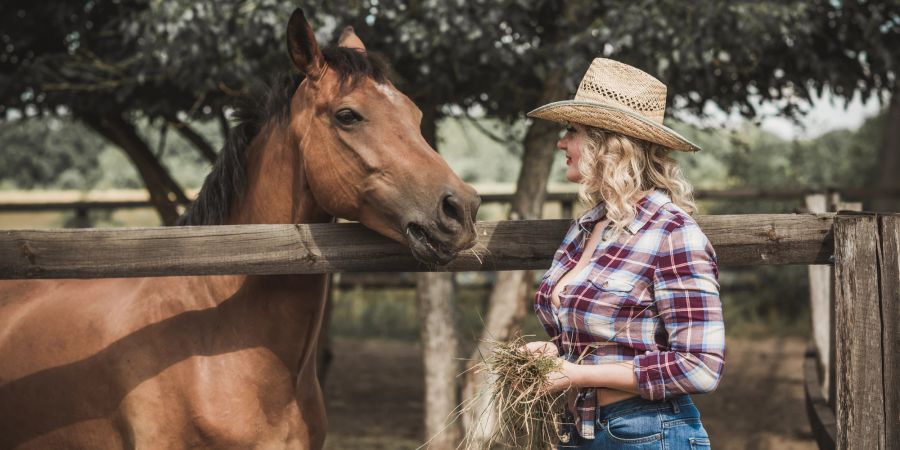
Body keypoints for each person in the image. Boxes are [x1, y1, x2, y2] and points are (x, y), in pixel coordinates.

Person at [525, 58, 724, 449]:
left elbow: (701, 366)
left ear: (608, 144)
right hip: (580, 430)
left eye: (572, 131)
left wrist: (576, 376)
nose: (560, 143)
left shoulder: (671, 232)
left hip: (647, 433)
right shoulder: (584, 229)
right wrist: (551, 354)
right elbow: (607, 342)